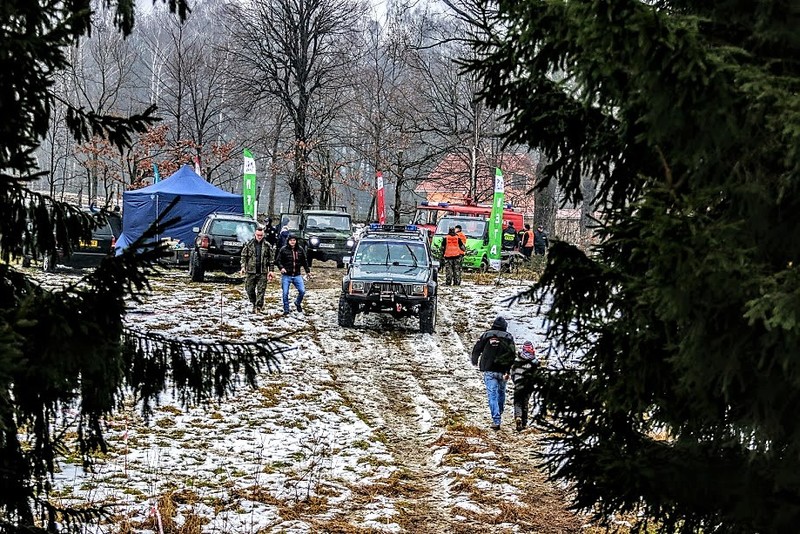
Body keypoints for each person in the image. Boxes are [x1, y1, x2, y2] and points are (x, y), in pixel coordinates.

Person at [471, 316, 516, 430]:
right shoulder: (508, 337)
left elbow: (477, 348)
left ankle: (496, 420)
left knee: (492, 395)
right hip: (502, 371)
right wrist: (508, 369)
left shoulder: (487, 335)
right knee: (501, 392)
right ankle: (499, 411)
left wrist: (475, 360)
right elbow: (512, 355)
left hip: (489, 370)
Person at [240, 226, 274, 313]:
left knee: (261, 290)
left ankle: (258, 306)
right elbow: (244, 256)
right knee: (249, 289)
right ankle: (254, 303)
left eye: (261, 235)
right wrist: (243, 267)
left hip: (263, 271)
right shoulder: (249, 244)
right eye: (258, 235)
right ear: (255, 234)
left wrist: (271, 270)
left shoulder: (267, 245)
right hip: (251, 271)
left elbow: (271, 259)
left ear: (263, 235)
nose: (259, 237)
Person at [276, 233, 311, 314]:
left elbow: (304, 261)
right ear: (288, 241)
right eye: (291, 240)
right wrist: (281, 268)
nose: (292, 242)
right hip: (286, 275)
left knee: (302, 291)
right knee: (285, 293)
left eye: (294, 240)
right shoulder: (283, 249)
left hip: (297, 275)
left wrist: (308, 271)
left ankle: (297, 303)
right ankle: (286, 309)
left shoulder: (300, 250)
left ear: (296, 241)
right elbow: (278, 260)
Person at [511, 341, 539, 432]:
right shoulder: (535, 362)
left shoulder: (517, 360)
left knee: (517, 402)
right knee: (525, 403)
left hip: (518, 384)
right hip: (528, 386)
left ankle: (518, 416)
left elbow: (513, 373)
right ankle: (524, 423)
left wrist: (515, 381)